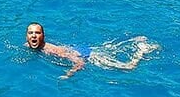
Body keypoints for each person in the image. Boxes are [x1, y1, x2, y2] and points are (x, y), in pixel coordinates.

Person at [24, 23, 158, 79]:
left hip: (86, 55)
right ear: (27, 36)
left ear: (43, 36)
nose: (34, 36)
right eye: (31, 33)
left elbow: (80, 62)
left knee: (129, 67)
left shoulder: (52, 50)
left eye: (37, 33)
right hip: (79, 49)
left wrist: (68, 74)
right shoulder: (27, 45)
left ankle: (141, 50)